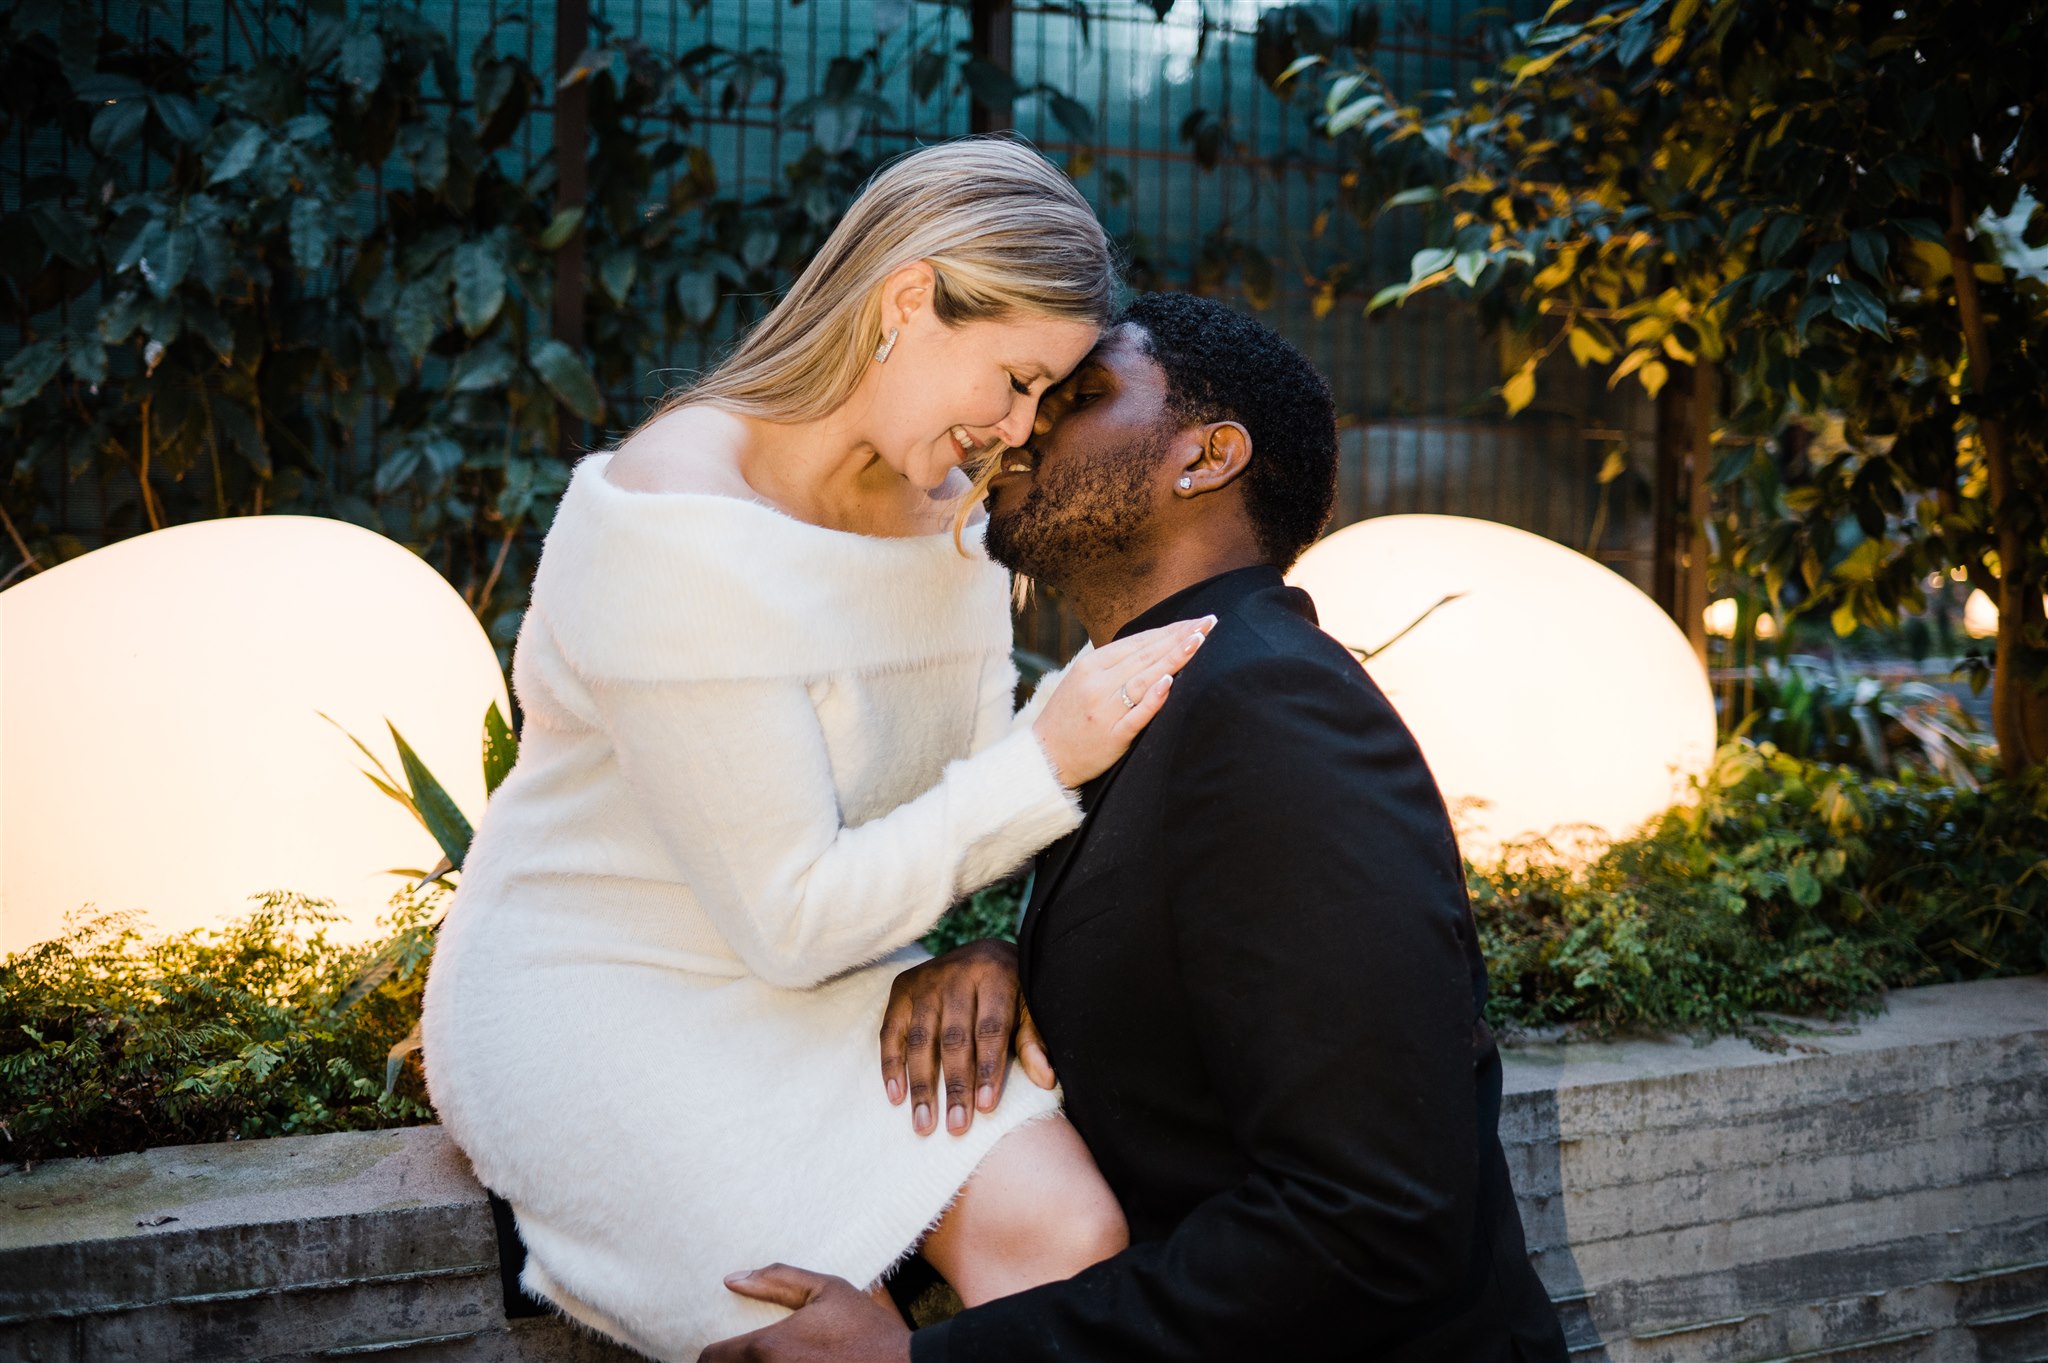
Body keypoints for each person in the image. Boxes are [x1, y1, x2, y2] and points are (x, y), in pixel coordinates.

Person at [419, 140, 1217, 1363]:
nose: (1015, 431)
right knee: (814, 1337)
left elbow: (954, 787)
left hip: (842, 972)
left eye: (1041, 398)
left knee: (1069, 1235)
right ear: (907, 299)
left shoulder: (950, 511)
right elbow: (793, 911)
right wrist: (1047, 757)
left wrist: (995, 948)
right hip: (604, 1000)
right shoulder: (680, 525)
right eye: (1009, 379)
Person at [705, 293, 1572, 1362]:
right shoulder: (1162, 697)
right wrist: (1005, 965)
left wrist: (915, 1362)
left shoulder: (1273, 711)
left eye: (1077, 397)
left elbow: (1375, 1220)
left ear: (1205, 458)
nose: (1013, 429)